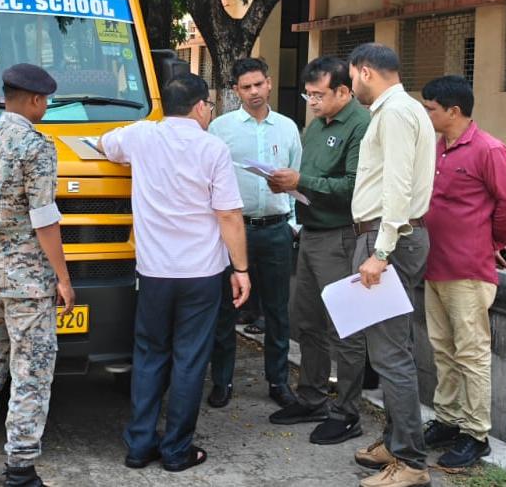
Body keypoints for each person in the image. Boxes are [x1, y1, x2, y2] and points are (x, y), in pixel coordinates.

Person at [100, 73, 251, 473]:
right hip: (201, 274)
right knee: (189, 360)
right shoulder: (213, 148)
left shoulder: (140, 136)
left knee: (149, 355)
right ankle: (177, 450)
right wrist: (241, 269)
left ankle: (140, 445)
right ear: (200, 105)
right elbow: (229, 215)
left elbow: (104, 143)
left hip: (154, 272)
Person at [0, 63, 76, 487]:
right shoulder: (37, 146)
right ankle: (20, 470)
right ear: (33, 100)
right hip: (27, 282)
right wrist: (62, 278)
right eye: (44, 100)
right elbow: (44, 218)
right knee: (31, 371)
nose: (45, 106)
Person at [266, 56, 371, 444]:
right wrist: (287, 184)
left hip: (341, 235)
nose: (311, 101)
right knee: (306, 320)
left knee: (344, 326)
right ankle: (311, 397)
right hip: (310, 231)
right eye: (308, 94)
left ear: (344, 92)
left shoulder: (361, 126)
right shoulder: (316, 124)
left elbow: (354, 185)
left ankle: (347, 411)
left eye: (319, 94)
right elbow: (311, 178)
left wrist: (302, 180)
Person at [419, 75, 506, 470]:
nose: (427, 114)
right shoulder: (437, 148)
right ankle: (447, 419)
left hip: (469, 268)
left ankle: (476, 434)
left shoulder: (489, 150)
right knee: (443, 350)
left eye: (431, 108)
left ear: (454, 111)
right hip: (436, 265)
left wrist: (490, 242)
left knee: (471, 353)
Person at [347, 43, 436, 487]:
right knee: (391, 349)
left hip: (389, 238)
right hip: (389, 236)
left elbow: (398, 187)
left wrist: (379, 254)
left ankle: (411, 462)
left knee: (390, 354)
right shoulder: (403, 109)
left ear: (365, 72)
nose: (352, 87)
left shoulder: (396, 112)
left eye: (352, 78)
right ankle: (396, 441)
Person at [207, 58, 302, 409]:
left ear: (270, 83)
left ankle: (278, 381)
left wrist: (292, 224)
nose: (254, 92)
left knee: (278, 311)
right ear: (236, 91)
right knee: (226, 309)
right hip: (234, 231)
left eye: (259, 84)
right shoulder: (221, 128)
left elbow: (297, 176)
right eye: (246, 87)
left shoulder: (288, 128)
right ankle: (222, 381)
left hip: (276, 230)